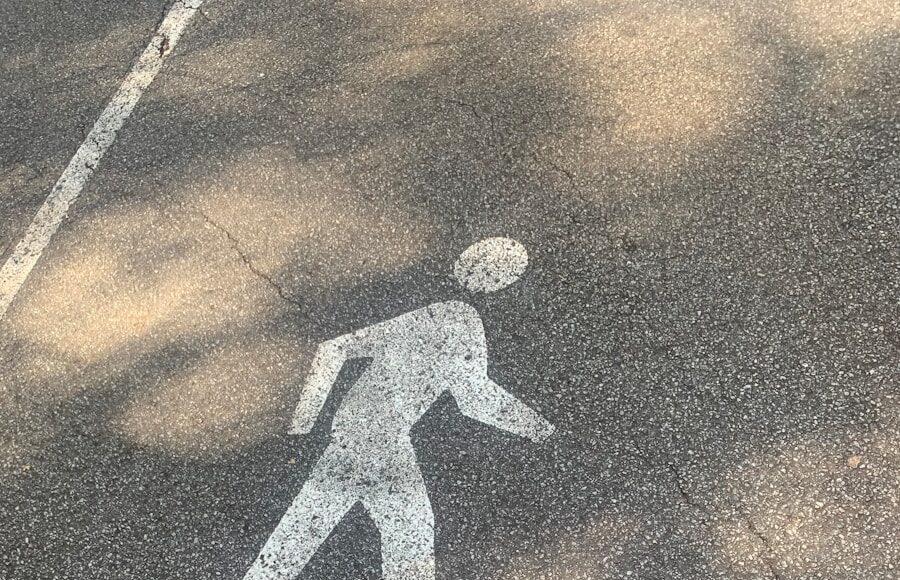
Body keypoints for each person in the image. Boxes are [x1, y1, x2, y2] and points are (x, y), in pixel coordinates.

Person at [244, 237, 555, 580]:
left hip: (351, 437)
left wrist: (304, 423)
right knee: (411, 541)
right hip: (382, 444)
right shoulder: (463, 322)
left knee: (294, 543)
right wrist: (540, 430)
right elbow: (475, 400)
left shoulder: (431, 314)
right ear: (501, 281)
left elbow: (335, 348)